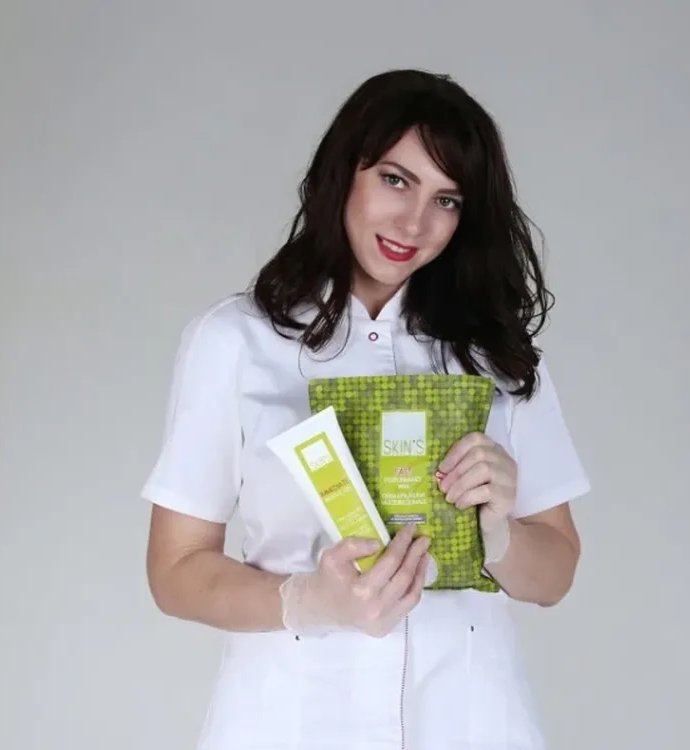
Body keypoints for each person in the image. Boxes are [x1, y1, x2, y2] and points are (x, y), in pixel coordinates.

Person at [141, 68, 592, 750]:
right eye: (395, 180)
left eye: (447, 199)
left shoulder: (496, 355)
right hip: (291, 722)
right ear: (343, 172)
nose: (414, 223)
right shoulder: (235, 341)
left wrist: (499, 536)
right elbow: (175, 570)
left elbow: (555, 574)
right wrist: (306, 602)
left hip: (470, 722)